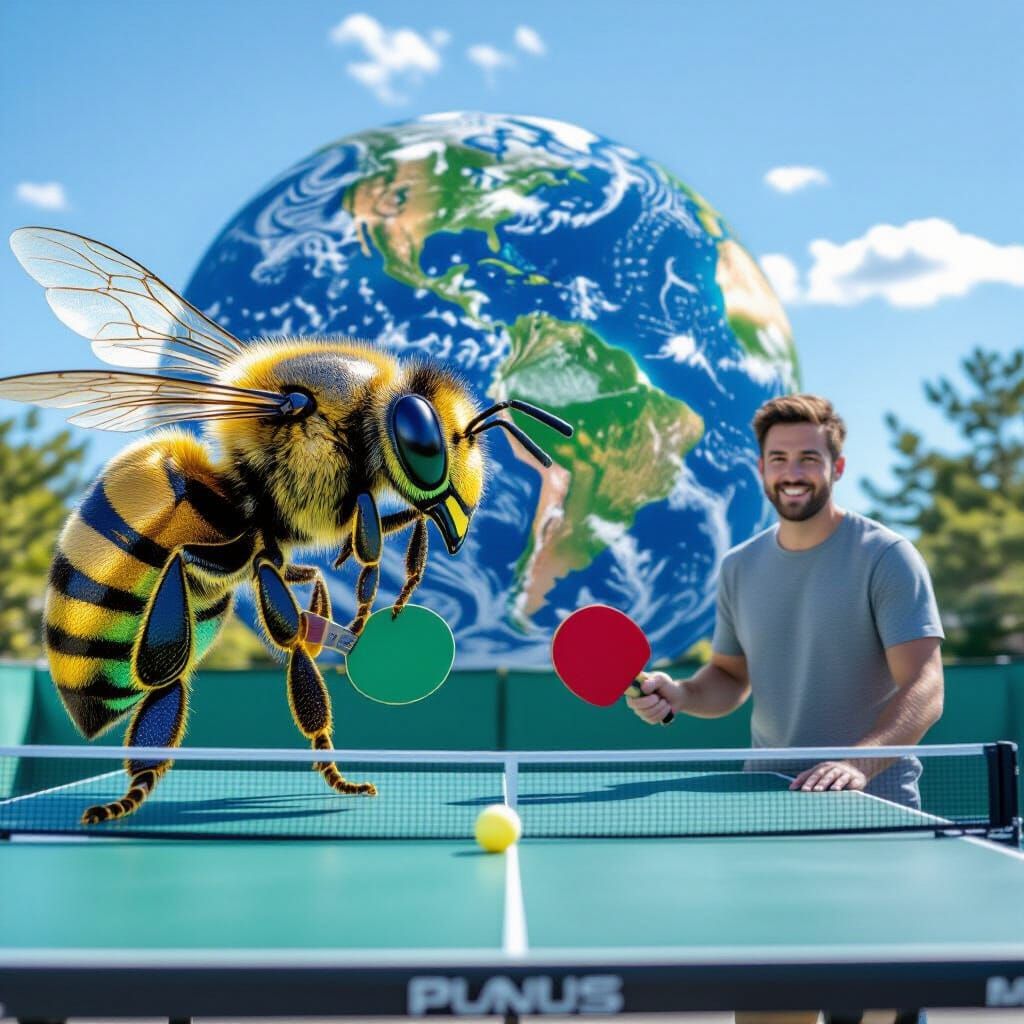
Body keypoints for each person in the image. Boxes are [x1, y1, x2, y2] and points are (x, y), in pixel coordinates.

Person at [627, 394, 945, 1024]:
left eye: (807, 457)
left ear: (838, 466)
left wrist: (859, 764)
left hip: (872, 816)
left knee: (872, 1012)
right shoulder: (740, 567)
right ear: (761, 469)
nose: (792, 471)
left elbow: (927, 684)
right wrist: (681, 695)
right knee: (771, 1012)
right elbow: (729, 678)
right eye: (778, 459)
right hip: (769, 814)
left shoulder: (885, 557)